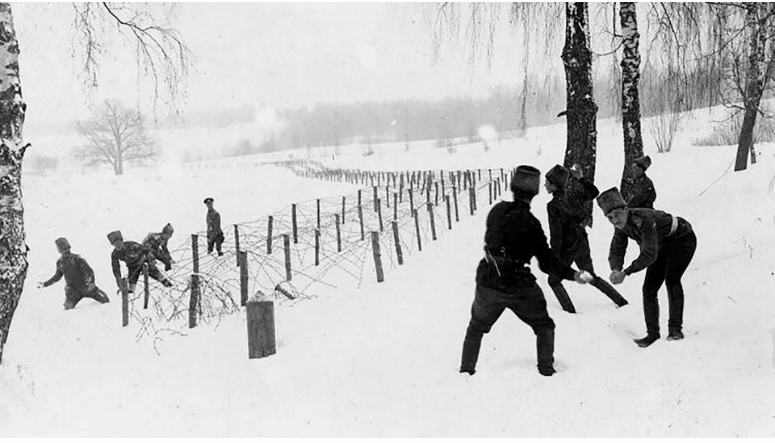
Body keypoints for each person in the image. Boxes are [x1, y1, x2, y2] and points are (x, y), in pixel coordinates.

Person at [460, 165, 589, 377]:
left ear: (513, 186)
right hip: (518, 285)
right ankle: (546, 370)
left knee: (476, 328)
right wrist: (573, 274)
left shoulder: (496, 211)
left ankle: (465, 372)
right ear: (535, 192)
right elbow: (547, 263)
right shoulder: (531, 224)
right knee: (544, 326)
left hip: (488, 280)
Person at [596, 187, 697, 348]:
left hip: (682, 239)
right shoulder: (620, 225)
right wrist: (615, 268)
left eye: (616, 215)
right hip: (660, 245)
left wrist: (626, 272)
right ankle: (652, 334)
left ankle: (675, 330)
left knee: (672, 280)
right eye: (609, 218)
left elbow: (649, 254)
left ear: (626, 209)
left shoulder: (644, 219)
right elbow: (617, 248)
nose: (614, 220)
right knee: (649, 289)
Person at [544, 164, 628, 313]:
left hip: (568, 246)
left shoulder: (553, 206)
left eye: (547, 182)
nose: (545, 185)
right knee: (590, 275)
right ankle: (621, 301)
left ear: (554, 185)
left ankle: (570, 313)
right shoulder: (573, 193)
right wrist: (581, 179)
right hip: (581, 238)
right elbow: (594, 192)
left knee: (553, 280)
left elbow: (556, 235)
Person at [38, 238, 110, 310]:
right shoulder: (60, 263)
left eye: (68, 248)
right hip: (73, 291)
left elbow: (89, 271)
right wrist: (45, 284)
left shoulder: (78, 259)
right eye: (64, 249)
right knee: (67, 309)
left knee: (106, 300)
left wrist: (90, 283)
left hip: (86, 287)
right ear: (59, 251)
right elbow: (57, 276)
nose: (67, 250)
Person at [108, 230, 173, 293]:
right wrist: (118, 279)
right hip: (132, 267)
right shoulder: (115, 254)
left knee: (156, 274)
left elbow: (147, 250)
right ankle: (131, 292)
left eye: (119, 243)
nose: (118, 246)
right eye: (115, 245)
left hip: (143, 262)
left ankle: (168, 285)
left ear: (122, 241)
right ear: (113, 245)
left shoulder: (131, 245)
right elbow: (115, 268)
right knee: (132, 282)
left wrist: (154, 260)